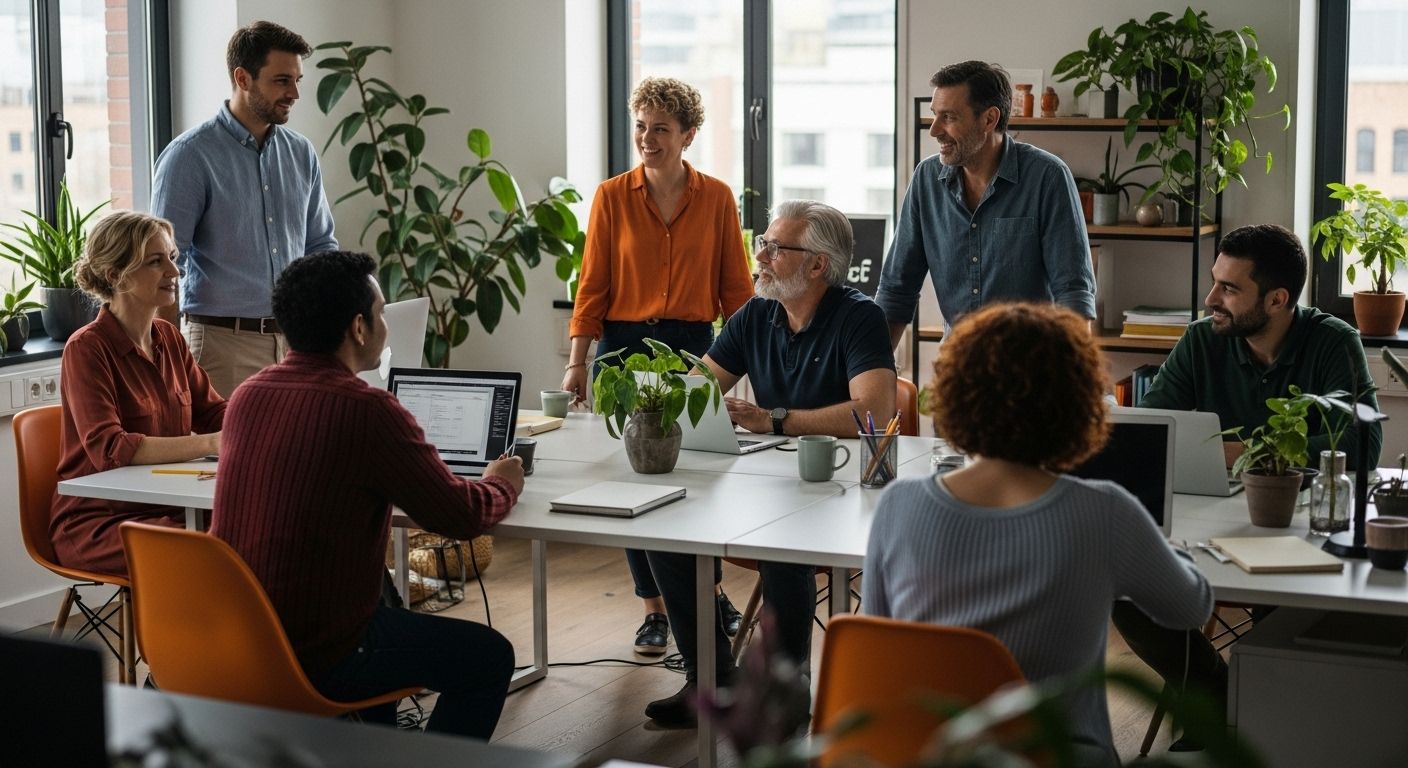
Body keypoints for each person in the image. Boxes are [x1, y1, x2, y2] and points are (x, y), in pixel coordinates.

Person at [863, 302, 1213, 766]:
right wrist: (1166, 548)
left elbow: (875, 644)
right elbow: (1191, 608)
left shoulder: (898, 506)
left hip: (930, 754)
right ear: (1079, 404)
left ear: (956, 395)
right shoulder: (1106, 512)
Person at [209, 251, 524, 738]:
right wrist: (503, 481)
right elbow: (461, 516)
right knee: (489, 656)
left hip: (239, 636)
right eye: (380, 314)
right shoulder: (368, 408)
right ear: (359, 327)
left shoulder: (249, 394)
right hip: (321, 650)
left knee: (383, 596)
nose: (384, 324)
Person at [1118, 223, 1383, 750]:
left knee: (1293, 608)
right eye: (1215, 282)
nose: (1211, 298)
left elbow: (1362, 449)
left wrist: (1252, 454)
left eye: (1229, 288)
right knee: (1122, 584)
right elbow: (1148, 432)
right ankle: (1213, 699)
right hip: (1211, 525)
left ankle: (1280, 721)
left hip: (1301, 528)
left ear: (1278, 298)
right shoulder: (1201, 339)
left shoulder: (1334, 341)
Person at [642, 200, 897, 727]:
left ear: (818, 265)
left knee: (785, 547)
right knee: (662, 530)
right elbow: (698, 389)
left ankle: (786, 690)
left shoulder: (860, 317)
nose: (759, 256)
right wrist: (654, 398)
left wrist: (774, 420)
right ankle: (710, 678)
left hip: (839, 490)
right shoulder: (756, 314)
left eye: (775, 248)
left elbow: (873, 412)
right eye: (764, 243)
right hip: (764, 481)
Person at [562, 76, 754, 656]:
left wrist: (749, 363)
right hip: (621, 350)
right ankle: (654, 612)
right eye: (641, 127)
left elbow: (735, 291)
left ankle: (707, 592)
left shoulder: (717, 197)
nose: (648, 138)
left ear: (688, 135)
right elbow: (592, 284)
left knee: (695, 478)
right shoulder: (611, 196)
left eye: (662, 129)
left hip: (693, 349)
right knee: (633, 482)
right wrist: (578, 360)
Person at [151, 20, 338, 396]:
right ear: (243, 78)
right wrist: (169, 361)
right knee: (225, 456)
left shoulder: (301, 153)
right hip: (222, 349)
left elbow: (320, 248)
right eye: (282, 80)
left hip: (296, 346)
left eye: (298, 80)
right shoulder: (190, 157)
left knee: (300, 454)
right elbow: (164, 267)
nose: (295, 93)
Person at [51, 212, 225, 577]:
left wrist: (269, 420)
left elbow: (216, 412)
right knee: (205, 554)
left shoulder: (170, 338)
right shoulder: (86, 349)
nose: (174, 272)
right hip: (99, 519)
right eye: (155, 261)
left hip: (171, 506)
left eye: (173, 259)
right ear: (115, 275)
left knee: (258, 532)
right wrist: (212, 442)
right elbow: (111, 449)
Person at [874, 60, 1095, 347]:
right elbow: (896, 289)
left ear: (989, 119)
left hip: (1032, 372)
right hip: (958, 371)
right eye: (934, 115)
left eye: (949, 117)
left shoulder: (1048, 177)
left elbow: (1073, 291)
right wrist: (873, 372)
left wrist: (1075, 380)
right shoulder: (926, 180)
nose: (934, 130)